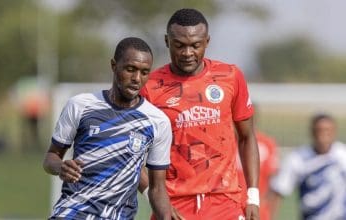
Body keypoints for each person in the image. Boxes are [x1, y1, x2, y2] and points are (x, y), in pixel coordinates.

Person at [139, 8, 260, 220]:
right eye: (179, 45)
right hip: (173, 207)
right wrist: (156, 200)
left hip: (226, 204)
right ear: (167, 41)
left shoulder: (229, 76)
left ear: (207, 41)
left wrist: (253, 197)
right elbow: (129, 153)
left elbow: (247, 137)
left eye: (195, 45)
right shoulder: (150, 87)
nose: (187, 53)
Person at [43, 37, 173, 220]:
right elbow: (50, 158)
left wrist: (167, 215)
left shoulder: (157, 121)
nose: (137, 78)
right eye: (130, 69)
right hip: (71, 214)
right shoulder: (80, 105)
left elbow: (157, 188)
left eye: (144, 72)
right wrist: (60, 167)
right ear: (114, 65)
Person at [269, 113, 346, 220]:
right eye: (320, 131)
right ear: (312, 132)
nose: (324, 135)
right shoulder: (297, 158)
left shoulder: (342, 154)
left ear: (334, 132)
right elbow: (279, 189)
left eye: (328, 131)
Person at [236, 104, 279, 220]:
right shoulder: (228, 143)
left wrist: (269, 209)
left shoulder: (267, 144)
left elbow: (273, 182)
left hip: (258, 209)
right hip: (232, 208)